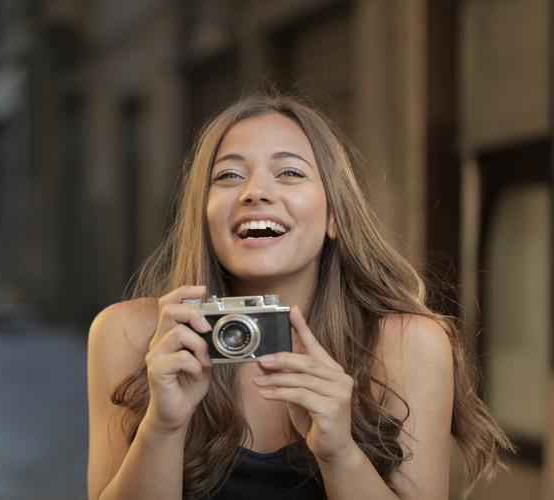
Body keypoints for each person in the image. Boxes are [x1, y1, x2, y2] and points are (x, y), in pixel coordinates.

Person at [86, 94, 512, 500]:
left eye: (289, 173)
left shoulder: (407, 343)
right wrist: (162, 426)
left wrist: (339, 452)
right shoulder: (132, 334)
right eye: (229, 176)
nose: (254, 192)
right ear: (204, 216)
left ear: (334, 216)